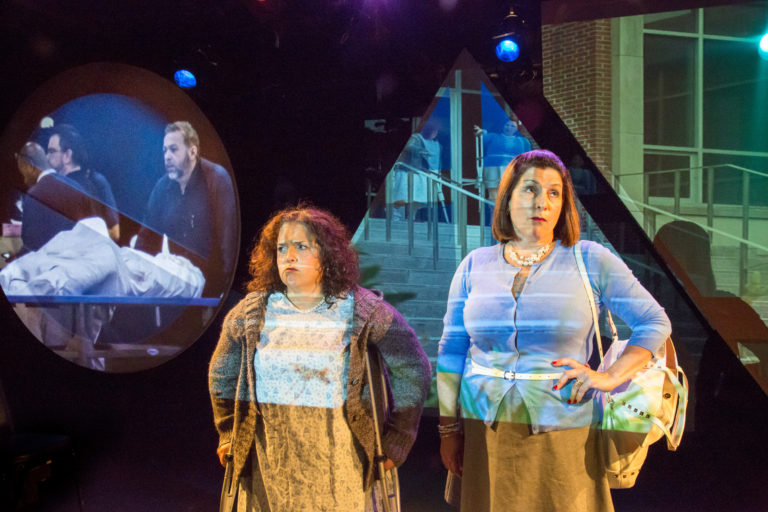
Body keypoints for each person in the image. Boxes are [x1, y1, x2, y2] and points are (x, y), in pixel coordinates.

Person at [437, 150, 671, 512]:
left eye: (554, 193)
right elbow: (451, 349)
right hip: (483, 434)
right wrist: (448, 430)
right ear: (508, 197)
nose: (542, 202)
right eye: (530, 189)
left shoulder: (589, 258)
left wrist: (609, 376)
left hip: (564, 435)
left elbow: (654, 321)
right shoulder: (474, 265)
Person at [209, 205, 431, 511]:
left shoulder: (362, 309)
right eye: (282, 248)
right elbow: (222, 372)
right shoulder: (252, 311)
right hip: (272, 468)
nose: (289, 256)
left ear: (325, 255)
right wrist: (228, 432)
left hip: (341, 470)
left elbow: (414, 368)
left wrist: (398, 439)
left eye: (301, 247)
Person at [136, 121, 236, 294]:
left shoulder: (216, 179)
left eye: (173, 149)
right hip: (179, 285)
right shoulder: (162, 187)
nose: (167, 156)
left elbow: (229, 243)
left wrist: (226, 291)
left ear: (192, 152)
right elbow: (147, 239)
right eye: (165, 150)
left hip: (213, 287)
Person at [16, 141, 97, 252]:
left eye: (22, 171)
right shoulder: (77, 186)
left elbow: (30, 246)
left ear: (29, 166)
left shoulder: (35, 195)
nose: (24, 179)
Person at [47, 124, 120, 241]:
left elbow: (114, 231)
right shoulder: (93, 182)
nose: (47, 157)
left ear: (67, 155)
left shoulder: (95, 182)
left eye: (51, 151)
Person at [474, 116, 531, 202]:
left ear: (517, 129)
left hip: (513, 169)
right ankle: (494, 210)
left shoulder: (523, 141)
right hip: (493, 168)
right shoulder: (493, 137)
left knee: (511, 194)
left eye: (512, 126)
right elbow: (482, 136)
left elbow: (528, 158)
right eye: (507, 125)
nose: (509, 128)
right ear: (502, 126)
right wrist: (481, 132)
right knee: (493, 195)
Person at [392, 122, 441, 221]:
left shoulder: (435, 143)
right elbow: (408, 147)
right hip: (408, 171)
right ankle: (394, 213)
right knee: (403, 196)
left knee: (417, 198)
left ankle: (411, 217)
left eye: (436, 131)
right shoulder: (416, 137)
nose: (435, 133)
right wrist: (421, 150)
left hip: (423, 173)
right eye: (434, 131)